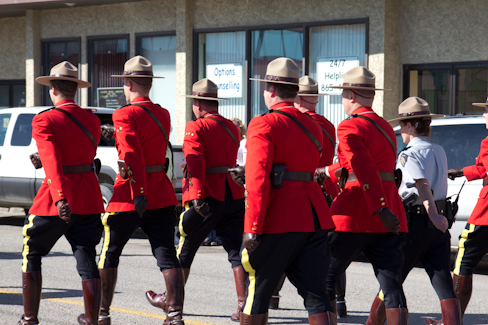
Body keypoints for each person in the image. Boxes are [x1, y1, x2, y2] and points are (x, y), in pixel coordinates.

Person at [240, 57, 336, 325]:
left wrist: (252, 226)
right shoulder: (313, 125)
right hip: (312, 215)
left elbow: (258, 178)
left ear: (271, 90)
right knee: (316, 295)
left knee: (257, 294)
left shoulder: (264, 123)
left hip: (278, 218)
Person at [145, 78, 246, 322]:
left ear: (198, 103)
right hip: (231, 195)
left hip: (208, 195)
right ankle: (244, 306)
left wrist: (198, 196)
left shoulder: (196, 126)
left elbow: (196, 163)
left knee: (185, 250)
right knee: (235, 251)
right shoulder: (232, 127)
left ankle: (171, 301)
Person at [97, 55, 184, 325]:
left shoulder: (124, 113)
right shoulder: (163, 113)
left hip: (131, 195)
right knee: (167, 253)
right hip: (161, 193)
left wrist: (139, 194)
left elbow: (132, 155)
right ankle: (175, 315)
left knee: (110, 253)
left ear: (128, 82)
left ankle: (102, 314)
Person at [318, 66, 409, 323]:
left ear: (351, 95)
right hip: (389, 211)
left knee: (324, 278)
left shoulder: (349, 127)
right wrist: (327, 171)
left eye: (343, 93)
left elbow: (363, 167)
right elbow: (367, 167)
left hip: (358, 212)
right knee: (392, 287)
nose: (342, 99)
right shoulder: (385, 127)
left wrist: (378, 207)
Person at [20, 61, 105, 325]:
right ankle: (91, 319)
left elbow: (54, 160)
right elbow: (76, 154)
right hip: (88, 196)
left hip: (58, 198)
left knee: (31, 250)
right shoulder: (92, 119)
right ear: (75, 90)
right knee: (87, 255)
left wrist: (59, 198)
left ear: (53, 90)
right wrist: (43, 159)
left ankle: (29, 318)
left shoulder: (45, 119)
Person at [365, 97, 461, 325]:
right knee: (443, 282)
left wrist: (432, 214)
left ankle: (372, 322)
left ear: (409, 125)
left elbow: (421, 184)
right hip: (439, 224)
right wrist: (437, 217)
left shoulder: (407, 154)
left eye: (402, 125)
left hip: (417, 221)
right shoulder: (438, 149)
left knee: (392, 279)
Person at [446, 97, 488, 321]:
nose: (484, 115)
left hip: (486, 213)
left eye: (487, 111)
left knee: (464, 257)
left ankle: (453, 319)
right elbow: (482, 168)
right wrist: (463, 171)